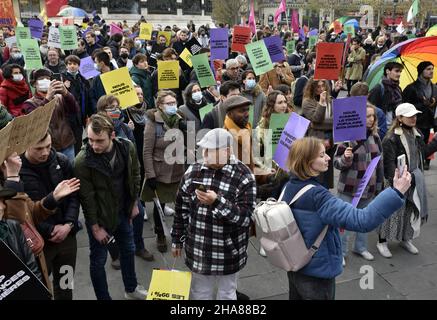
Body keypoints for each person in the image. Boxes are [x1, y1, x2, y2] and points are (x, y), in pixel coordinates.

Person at [281, 136, 411, 300]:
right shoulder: (318, 195)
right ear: (306, 162)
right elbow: (362, 220)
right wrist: (396, 192)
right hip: (318, 273)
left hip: (295, 265)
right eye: (321, 155)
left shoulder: (289, 186)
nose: (328, 157)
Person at [171, 128, 256, 300]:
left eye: (210, 151)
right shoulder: (193, 172)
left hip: (229, 251)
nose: (205, 154)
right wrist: (176, 239)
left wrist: (217, 201)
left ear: (227, 151)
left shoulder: (244, 175)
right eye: (204, 150)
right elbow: (181, 209)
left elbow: (246, 218)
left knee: (227, 294)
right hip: (199, 248)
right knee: (200, 294)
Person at [74, 113, 148, 300]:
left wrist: (133, 204)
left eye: (99, 141)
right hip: (100, 218)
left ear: (112, 136)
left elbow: (135, 175)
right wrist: (95, 227)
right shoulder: (82, 161)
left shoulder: (126, 147)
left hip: (123, 211)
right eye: (90, 140)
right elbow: (87, 198)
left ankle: (131, 289)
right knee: (98, 262)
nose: (94, 146)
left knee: (129, 249)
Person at [19, 131, 81, 300]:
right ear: (26, 146)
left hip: (67, 239)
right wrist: (51, 230)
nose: (45, 152)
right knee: (41, 289)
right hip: (40, 244)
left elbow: (74, 196)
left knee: (66, 285)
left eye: (48, 146)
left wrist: (69, 225)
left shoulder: (62, 161)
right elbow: (23, 213)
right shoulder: (16, 171)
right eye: (39, 148)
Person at [377, 103, 436, 258]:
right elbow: (388, 163)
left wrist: (435, 143)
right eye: (409, 116)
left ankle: (405, 239)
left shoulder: (417, 135)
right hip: (397, 181)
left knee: (409, 211)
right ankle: (382, 242)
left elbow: (423, 154)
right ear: (400, 118)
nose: (413, 118)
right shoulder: (391, 138)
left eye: (415, 115)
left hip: (413, 178)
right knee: (391, 213)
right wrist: (397, 184)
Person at [334, 104, 384, 265]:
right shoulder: (348, 138)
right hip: (349, 188)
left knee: (365, 220)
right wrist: (346, 158)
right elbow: (336, 163)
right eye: (368, 116)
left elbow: (379, 164)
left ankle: (360, 247)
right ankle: (340, 252)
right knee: (344, 222)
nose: (371, 119)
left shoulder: (376, 137)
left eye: (373, 116)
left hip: (368, 188)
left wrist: (378, 186)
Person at [141, 91, 186, 253]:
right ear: (160, 105)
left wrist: (186, 131)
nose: (173, 106)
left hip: (178, 169)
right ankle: (160, 234)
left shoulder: (180, 119)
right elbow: (146, 151)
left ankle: (179, 233)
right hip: (160, 171)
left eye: (174, 102)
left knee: (181, 204)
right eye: (169, 103)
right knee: (160, 205)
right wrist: (150, 174)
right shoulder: (153, 123)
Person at [23, 68, 80, 163]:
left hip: (67, 143)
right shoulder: (29, 103)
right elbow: (35, 120)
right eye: (41, 79)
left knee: (70, 171)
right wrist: (47, 98)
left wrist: (66, 93)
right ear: (34, 84)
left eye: (47, 78)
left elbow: (75, 110)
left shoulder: (60, 97)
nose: (45, 81)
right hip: (48, 147)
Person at [402, 61, 437, 170]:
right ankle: (418, 160)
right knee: (419, 141)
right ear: (421, 71)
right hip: (417, 121)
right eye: (428, 69)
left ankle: (426, 160)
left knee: (429, 140)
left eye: (432, 69)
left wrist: (432, 102)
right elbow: (406, 105)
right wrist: (421, 104)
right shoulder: (411, 88)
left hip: (431, 119)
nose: (431, 71)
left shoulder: (434, 87)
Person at [302, 78, 335, 189]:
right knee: (316, 172)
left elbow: (337, 121)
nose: (321, 89)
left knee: (326, 170)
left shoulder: (331, 100)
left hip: (330, 140)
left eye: (323, 86)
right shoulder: (307, 102)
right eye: (318, 87)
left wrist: (316, 124)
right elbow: (317, 118)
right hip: (316, 140)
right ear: (312, 88)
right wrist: (321, 103)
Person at [62, 55, 92, 154]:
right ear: (66, 66)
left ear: (79, 66)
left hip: (81, 116)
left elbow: (88, 98)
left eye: (75, 64)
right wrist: (64, 88)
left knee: (78, 142)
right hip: (68, 117)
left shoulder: (83, 80)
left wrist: (88, 115)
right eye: (69, 64)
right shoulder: (62, 78)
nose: (72, 66)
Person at [368, 61, 403, 127]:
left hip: (396, 125)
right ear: (387, 71)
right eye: (396, 71)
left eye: (400, 72)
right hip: (382, 126)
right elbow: (371, 108)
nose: (399, 74)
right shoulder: (379, 88)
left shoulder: (398, 88)